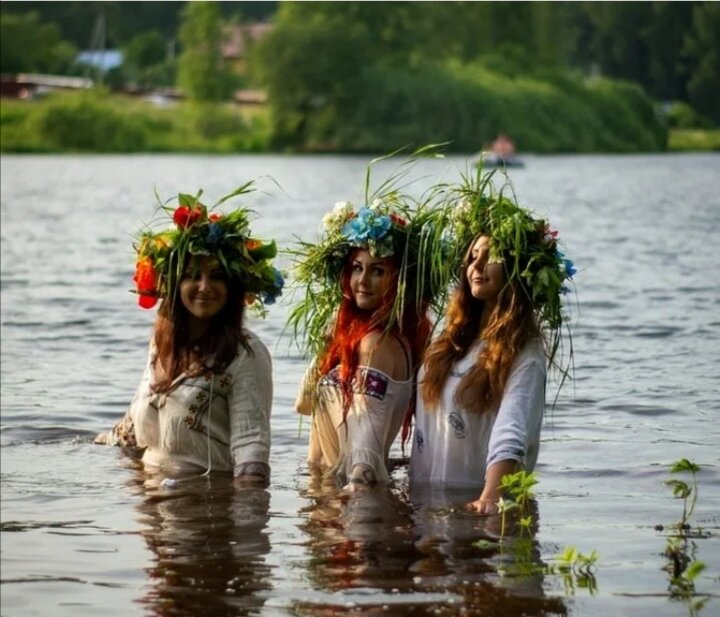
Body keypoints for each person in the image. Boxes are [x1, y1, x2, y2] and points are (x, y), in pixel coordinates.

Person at [95, 187, 285, 486]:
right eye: (192, 275)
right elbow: (131, 428)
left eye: (217, 276)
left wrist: (246, 524)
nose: (204, 286)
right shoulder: (161, 344)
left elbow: (252, 453)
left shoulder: (245, 354)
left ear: (233, 287)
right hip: (151, 512)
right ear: (174, 283)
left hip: (206, 510)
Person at [410, 170, 576, 513]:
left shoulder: (524, 352)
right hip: (427, 505)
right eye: (472, 257)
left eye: (491, 256)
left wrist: (489, 499)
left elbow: (511, 431)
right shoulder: (450, 340)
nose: (478, 265)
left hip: (477, 506)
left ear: (515, 269)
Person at [291, 176, 448, 489]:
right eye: (357, 268)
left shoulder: (375, 345)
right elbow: (304, 404)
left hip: (343, 497)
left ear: (399, 281)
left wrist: (355, 504)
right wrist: (329, 346)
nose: (363, 280)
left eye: (378, 271)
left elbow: (365, 443)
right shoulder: (366, 338)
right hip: (329, 490)